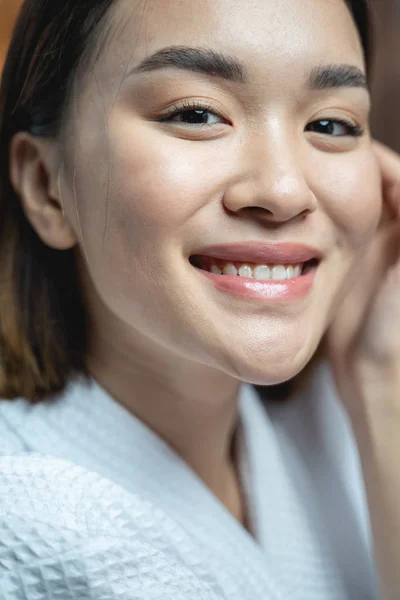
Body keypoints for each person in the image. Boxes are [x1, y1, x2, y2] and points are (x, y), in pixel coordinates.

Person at [0, 0, 399, 598]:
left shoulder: (333, 417)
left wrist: (381, 377)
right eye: (196, 113)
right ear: (46, 188)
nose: (284, 190)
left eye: (332, 125)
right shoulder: (37, 527)